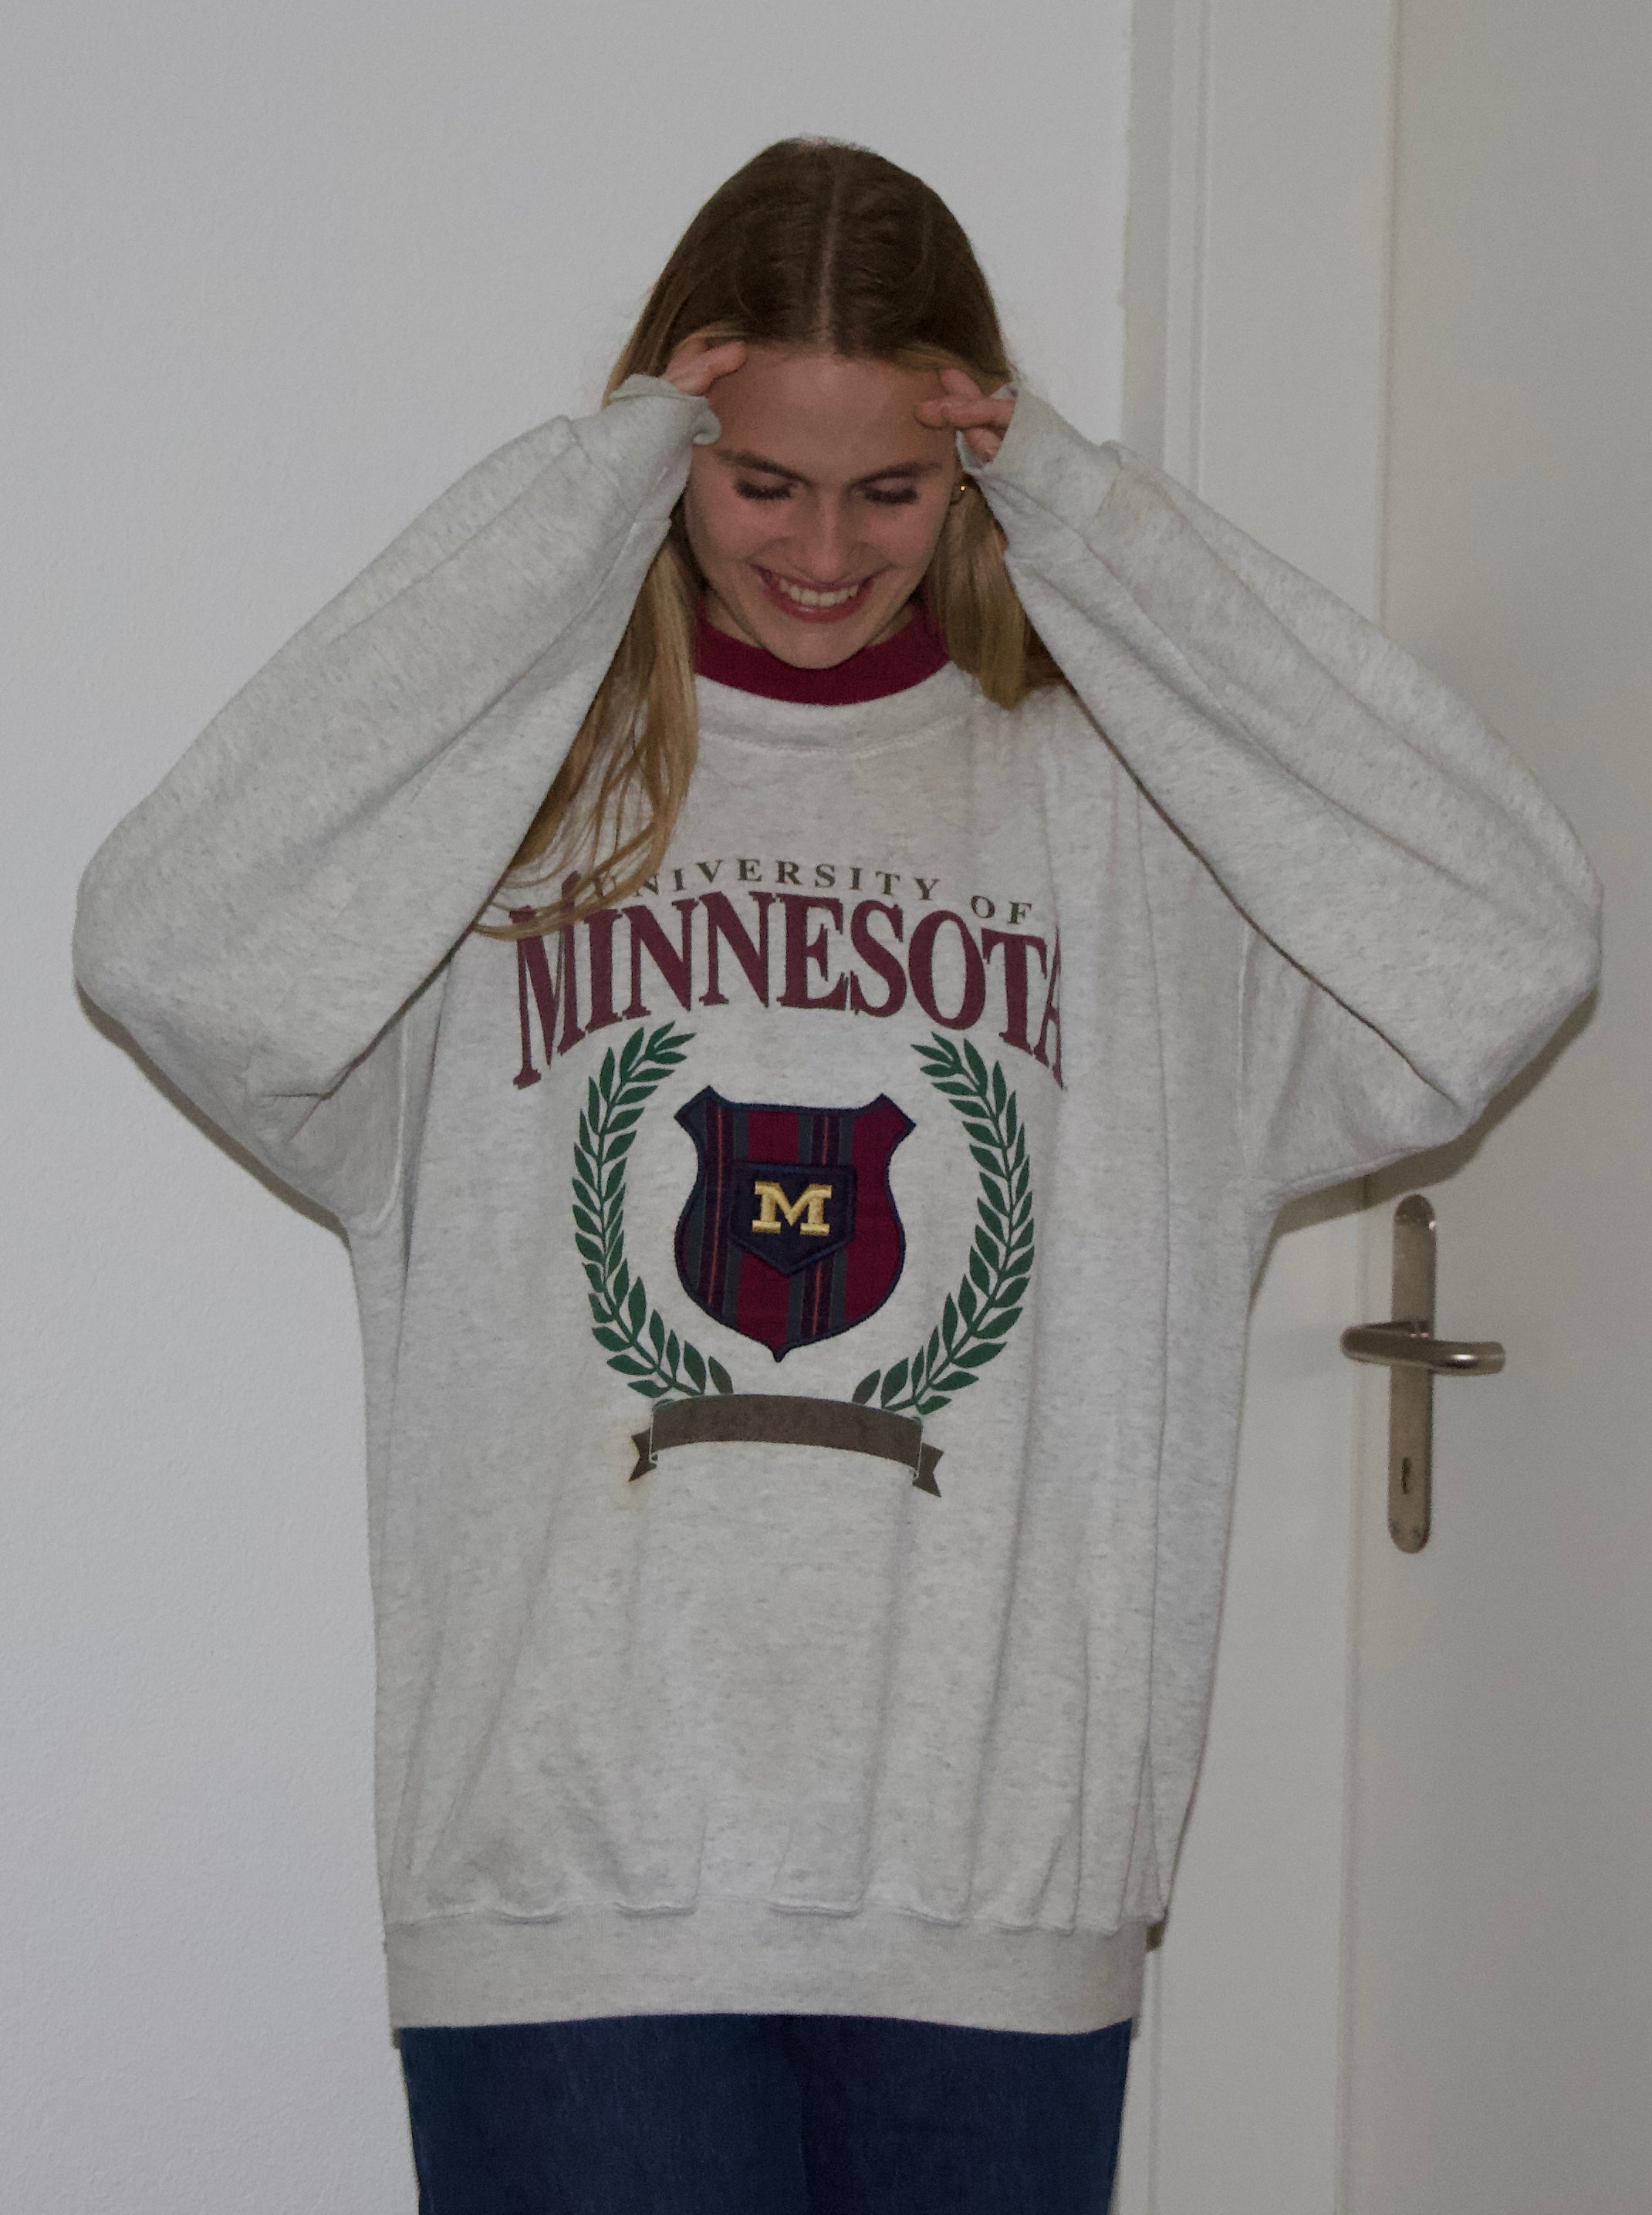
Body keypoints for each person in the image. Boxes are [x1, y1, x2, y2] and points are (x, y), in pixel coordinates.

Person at [73, 137, 1601, 2213]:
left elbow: (1513, 935)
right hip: (566, 1905)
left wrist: (1096, 521)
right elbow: (162, 939)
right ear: (667, 450)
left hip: (992, 1904)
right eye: (754, 479)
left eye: (891, 487)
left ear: (974, 465)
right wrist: (574, 502)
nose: (819, 549)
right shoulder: (496, 826)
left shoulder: (1127, 832)